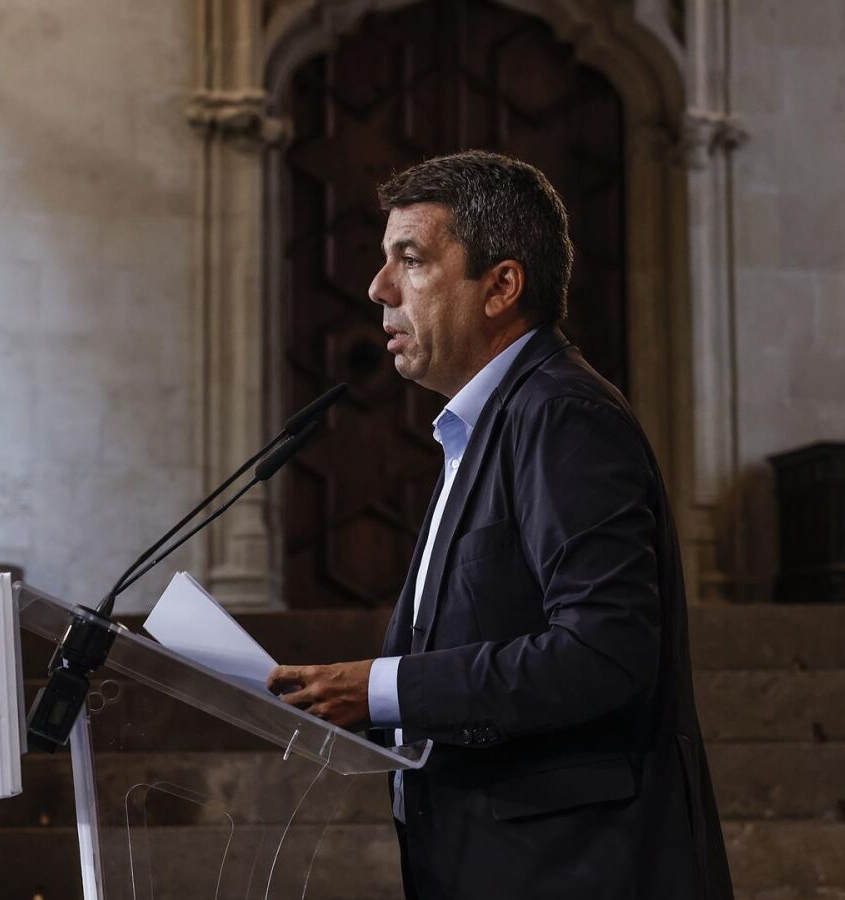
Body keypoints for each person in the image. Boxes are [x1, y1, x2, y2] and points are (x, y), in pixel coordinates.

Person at [266, 150, 733, 900]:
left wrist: (383, 689)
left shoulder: (562, 414)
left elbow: (604, 651)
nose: (378, 287)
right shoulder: (488, 424)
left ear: (502, 287)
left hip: (576, 871)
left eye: (410, 260)